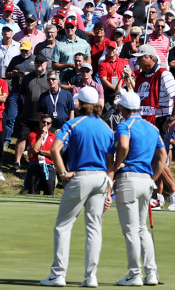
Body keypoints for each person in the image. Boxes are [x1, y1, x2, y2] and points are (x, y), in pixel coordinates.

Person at [40, 87, 114, 288]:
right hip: (101, 180)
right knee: (94, 228)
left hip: (80, 177)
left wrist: (62, 174)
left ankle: (58, 275)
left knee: (63, 226)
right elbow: (110, 164)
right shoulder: (107, 128)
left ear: (79, 103)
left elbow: (54, 149)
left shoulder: (73, 123)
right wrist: (109, 193)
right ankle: (91, 277)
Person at [110, 92, 165, 286]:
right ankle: (151, 274)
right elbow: (163, 156)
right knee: (142, 229)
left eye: (119, 107)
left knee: (131, 230)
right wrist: (154, 178)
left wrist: (117, 165)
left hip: (128, 179)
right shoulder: (152, 127)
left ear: (123, 109)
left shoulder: (124, 125)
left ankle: (134, 275)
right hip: (146, 182)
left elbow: (123, 145)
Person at [129, 44, 175, 211]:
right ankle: (156, 198)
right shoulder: (140, 75)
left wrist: (172, 119)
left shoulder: (163, 74)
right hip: (145, 121)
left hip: (161, 121)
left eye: (141, 57)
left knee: (157, 158)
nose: (137, 61)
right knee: (151, 159)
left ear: (150, 58)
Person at [25, 113, 56, 195]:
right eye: (43, 122)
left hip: (49, 166)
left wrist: (39, 151)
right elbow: (34, 148)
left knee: (49, 193)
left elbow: (54, 153)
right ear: (40, 122)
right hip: (35, 165)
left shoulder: (54, 137)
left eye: (48, 123)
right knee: (33, 193)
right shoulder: (33, 134)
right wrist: (42, 135)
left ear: (50, 125)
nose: (45, 124)